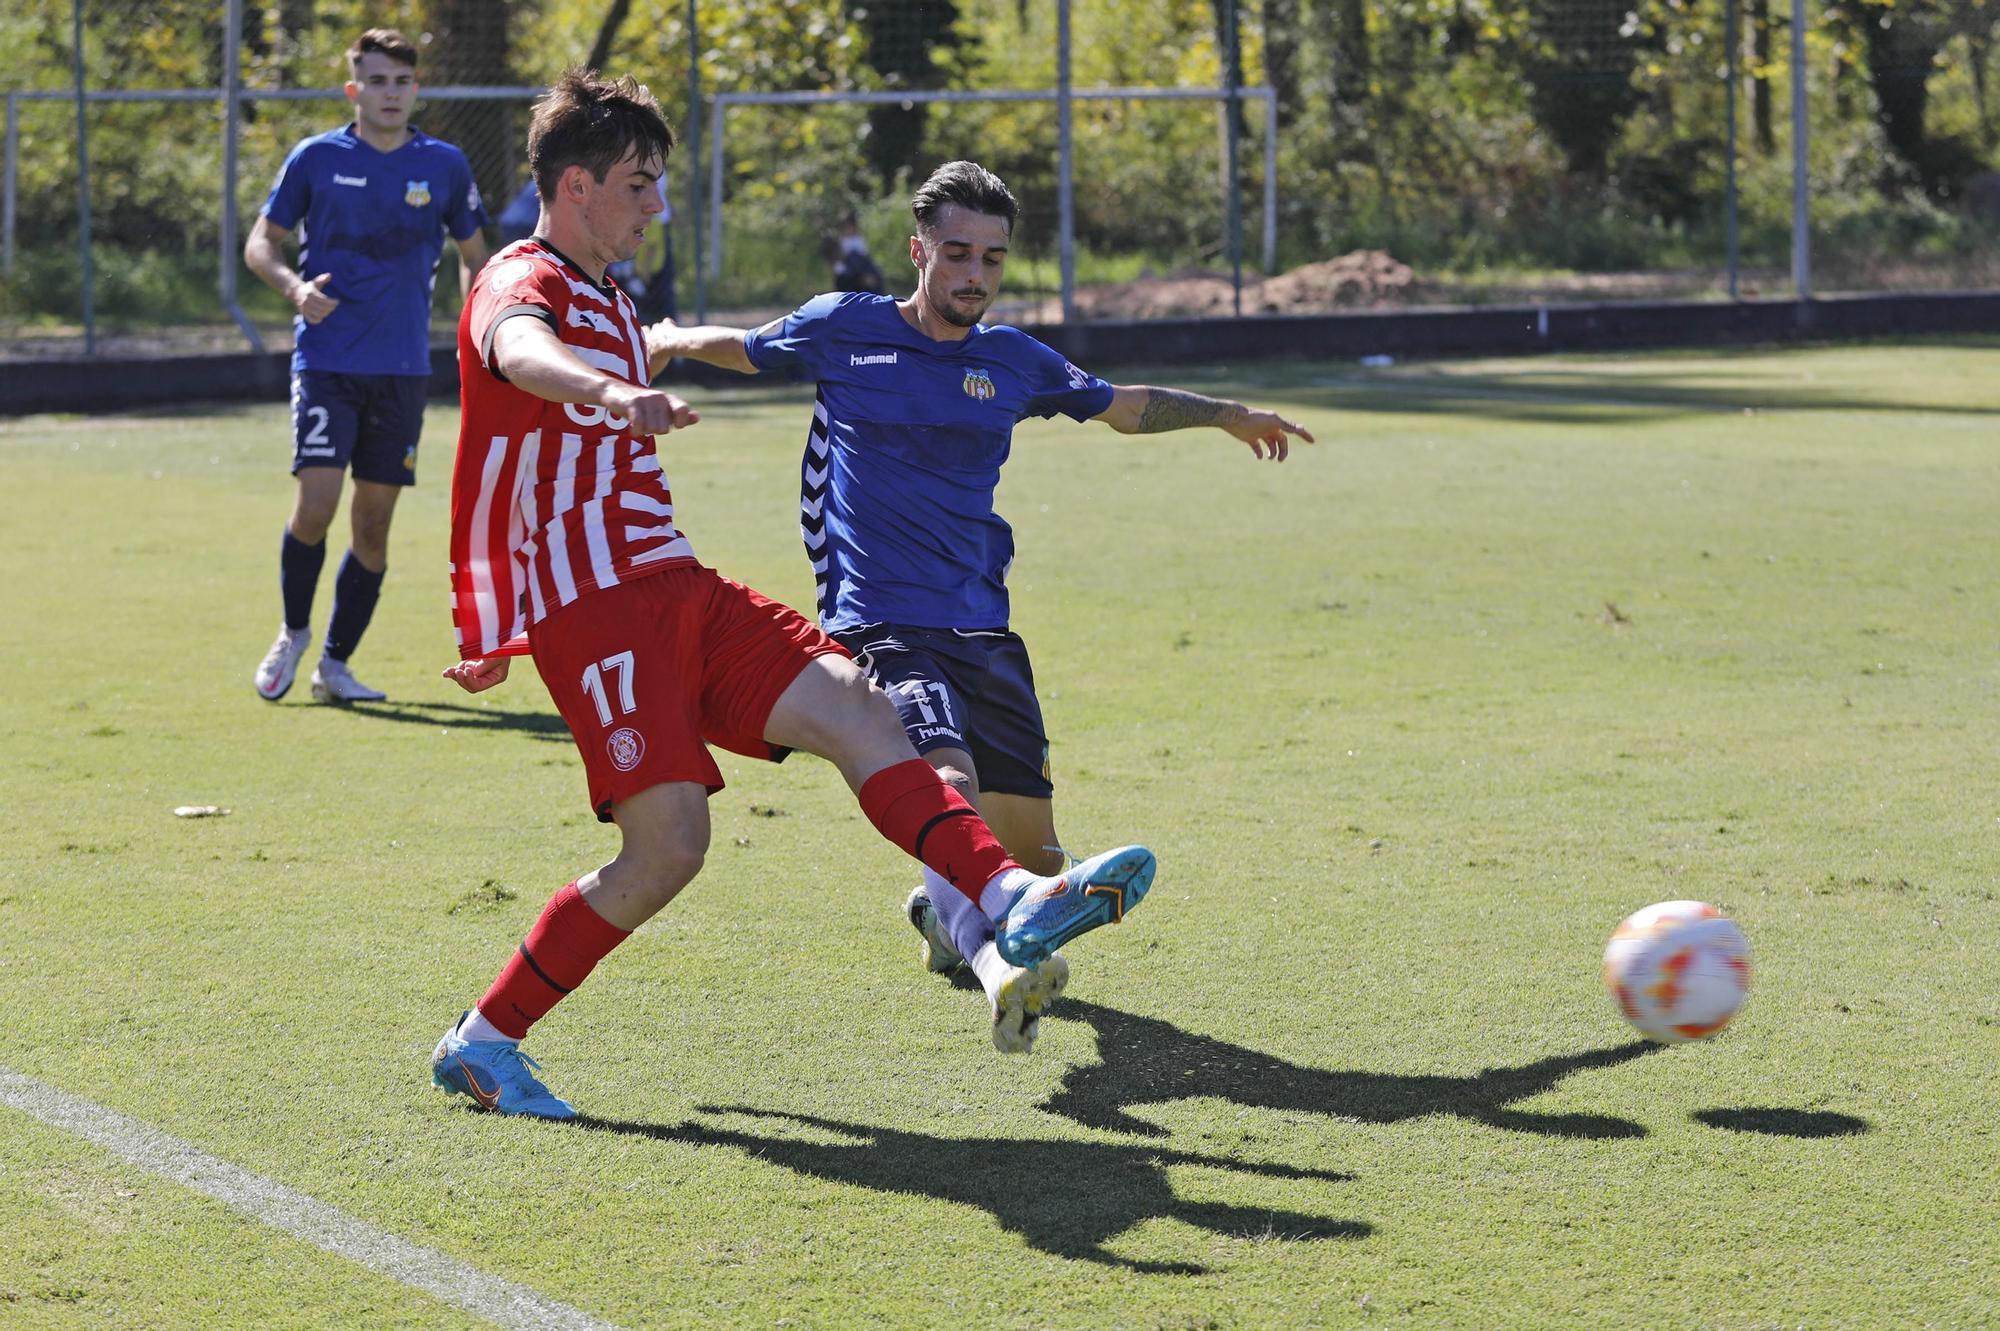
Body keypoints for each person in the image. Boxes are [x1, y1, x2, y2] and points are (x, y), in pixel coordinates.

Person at [427, 72, 1157, 1120]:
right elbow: (511, 348)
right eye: (640, 184)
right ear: (577, 184)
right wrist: (607, 388)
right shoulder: (521, 275)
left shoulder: (613, 295)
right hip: (597, 608)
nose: (656, 205)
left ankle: (1006, 898)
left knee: (858, 703)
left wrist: (636, 364)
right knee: (667, 850)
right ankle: (485, 1039)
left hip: (677, 584)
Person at [645, 160, 1312, 1040]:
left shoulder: (1014, 360)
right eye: (956, 253)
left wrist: (1226, 412)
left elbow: (1122, 406)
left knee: (1032, 855)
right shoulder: (845, 328)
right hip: (878, 619)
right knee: (945, 779)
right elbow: (754, 345)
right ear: (917, 251)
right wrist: (675, 337)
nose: (973, 276)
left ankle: (942, 915)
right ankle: (992, 946)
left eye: (992, 259)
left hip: (983, 626)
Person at [247, 27, 490, 704]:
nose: (391, 93)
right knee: (317, 506)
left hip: (405, 369)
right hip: (327, 362)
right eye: (377, 81)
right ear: (354, 89)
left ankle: (334, 664)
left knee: (374, 522)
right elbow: (259, 245)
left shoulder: (444, 165)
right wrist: (296, 291)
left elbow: (478, 260)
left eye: (402, 81)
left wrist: (482, 326)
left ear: (417, 88)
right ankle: (293, 630)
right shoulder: (316, 158)